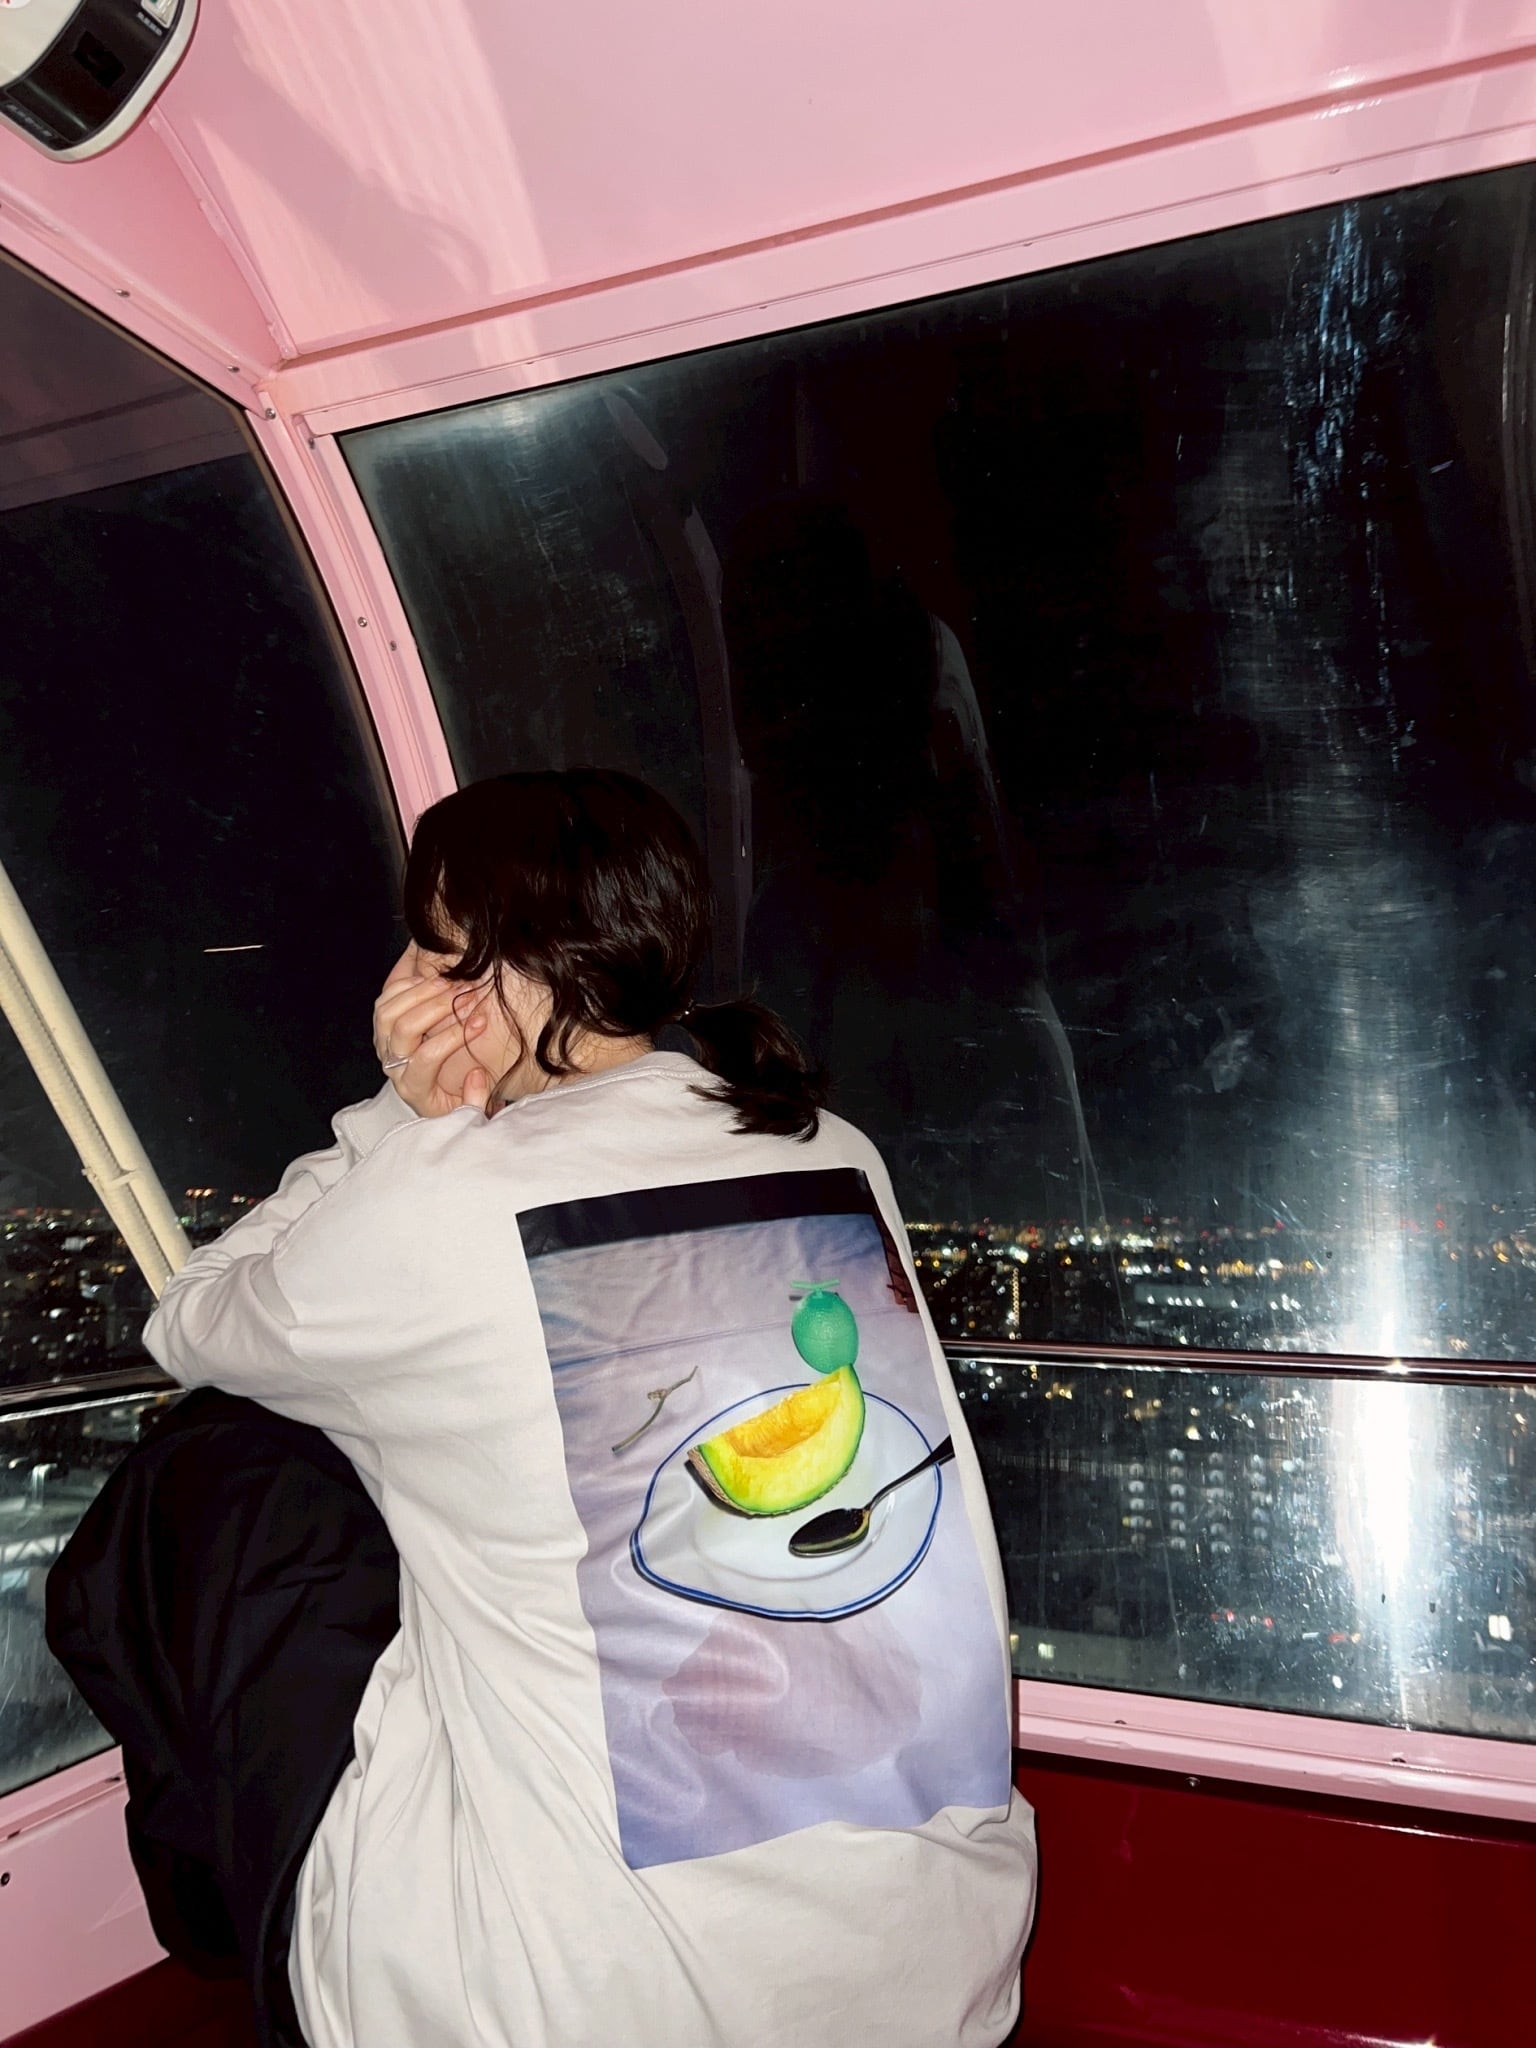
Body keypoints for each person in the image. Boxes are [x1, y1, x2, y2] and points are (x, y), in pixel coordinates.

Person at [143, 768, 1036, 2048]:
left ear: (496, 974)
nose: (403, 977)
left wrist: (402, 1110)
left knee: (213, 1458)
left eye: (430, 949)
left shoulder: (446, 1196)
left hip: (577, 2003)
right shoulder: (831, 1148)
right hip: (937, 1976)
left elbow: (188, 1321)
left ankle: (208, 1912)